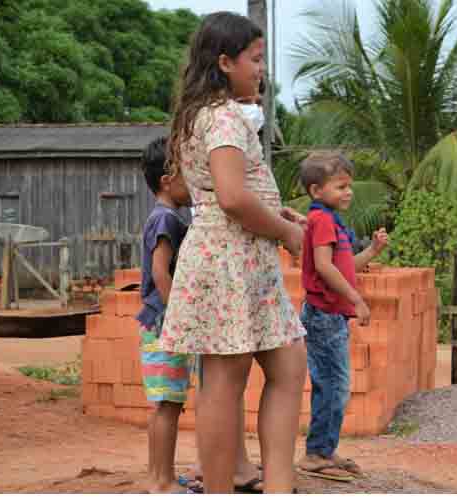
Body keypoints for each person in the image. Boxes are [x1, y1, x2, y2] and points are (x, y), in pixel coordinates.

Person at [159, 12, 307, 494]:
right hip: (229, 259)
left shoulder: (206, 114)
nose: (262, 68)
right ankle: (222, 488)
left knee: (286, 363)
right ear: (225, 62)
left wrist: (278, 214)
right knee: (225, 379)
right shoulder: (222, 117)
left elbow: (233, 192)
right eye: (256, 59)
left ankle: (277, 487)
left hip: (242, 257)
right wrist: (285, 233)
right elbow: (231, 197)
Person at [296, 152, 389, 481]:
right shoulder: (321, 220)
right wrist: (356, 299)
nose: (348, 192)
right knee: (333, 386)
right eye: (340, 186)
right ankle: (316, 453)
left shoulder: (332, 220)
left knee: (335, 386)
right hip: (324, 314)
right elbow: (324, 266)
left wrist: (373, 252)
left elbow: (347, 266)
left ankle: (324, 448)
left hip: (332, 316)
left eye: (349, 185)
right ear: (316, 191)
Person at [136, 136, 193, 494]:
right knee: (168, 405)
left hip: (156, 322)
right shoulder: (167, 220)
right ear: (167, 180)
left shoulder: (163, 216)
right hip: (164, 323)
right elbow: (160, 272)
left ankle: (159, 476)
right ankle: (163, 481)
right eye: (187, 173)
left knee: (164, 404)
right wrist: (179, 319)